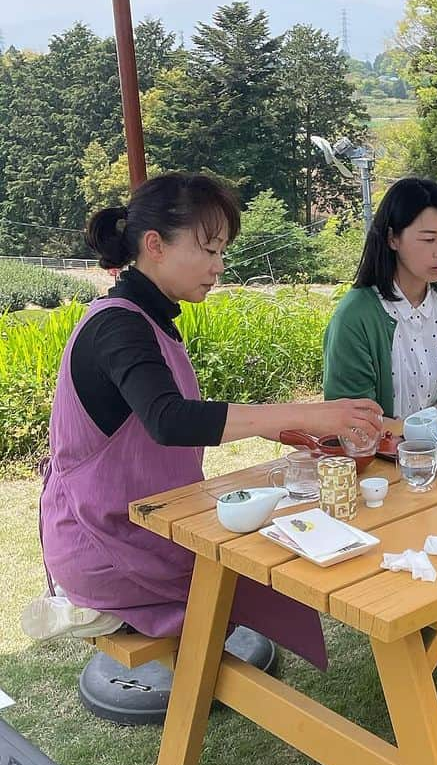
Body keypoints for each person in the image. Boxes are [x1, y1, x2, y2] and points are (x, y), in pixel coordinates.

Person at [21, 172, 384, 669]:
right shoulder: (116, 325)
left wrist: (290, 429)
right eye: (209, 250)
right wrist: (310, 411)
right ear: (155, 245)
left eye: (222, 252)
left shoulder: (144, 318)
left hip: (148, 525)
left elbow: (179, 412)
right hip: (106, 544)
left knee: (283, 540)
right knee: (275, 554)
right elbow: (169, 421)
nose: (219, 266)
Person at [322, 177, 437, 420]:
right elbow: (352, 417)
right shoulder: (355, 317)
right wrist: (410, 438)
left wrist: (422, 438)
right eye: (428, 239)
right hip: (375, 455)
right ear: (392, 238)